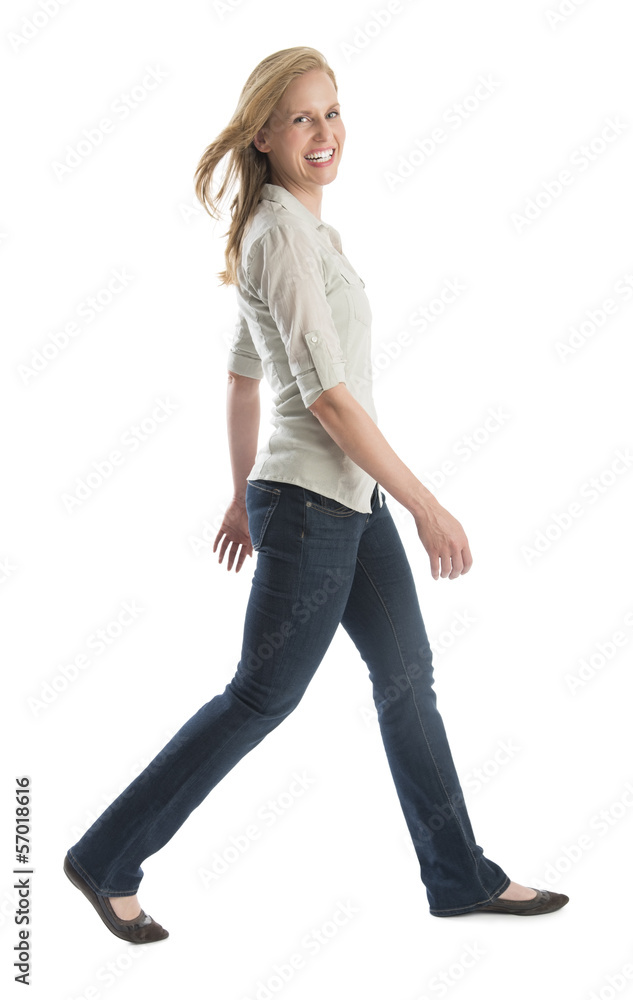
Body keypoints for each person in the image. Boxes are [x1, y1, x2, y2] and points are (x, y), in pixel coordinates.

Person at [63, 46, 569, 944]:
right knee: (261, 697)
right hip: (312, 506)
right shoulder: (280, 237)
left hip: (337, 499)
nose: (323, 131)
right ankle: (106, 858)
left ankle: (459, 877)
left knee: (406, 680)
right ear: (263, 135)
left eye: (331, 111)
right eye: (300, 117)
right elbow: (329, 400)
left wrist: (239, 496)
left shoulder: (298, 233)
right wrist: (425, 504)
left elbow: (242, 379)